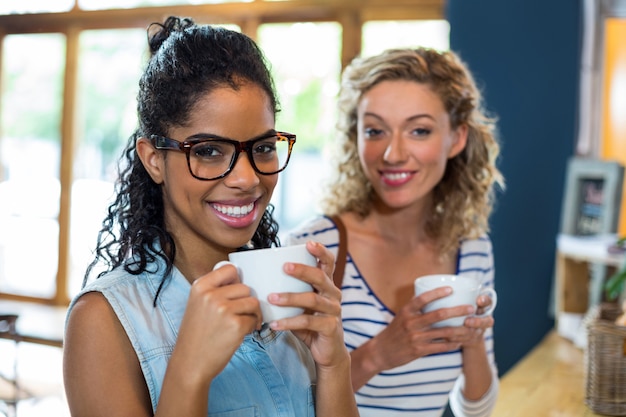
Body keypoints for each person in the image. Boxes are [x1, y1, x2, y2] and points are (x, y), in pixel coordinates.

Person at [63, 16, 358, 417]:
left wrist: (334, 363)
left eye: (263, 147)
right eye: (207, 151)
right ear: (153, 159)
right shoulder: (102, 322)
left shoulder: (288, 296)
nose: (247, 178)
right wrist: (188, 372)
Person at [286, 47, 505, 417]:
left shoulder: (473, 249)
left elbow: (475, 408)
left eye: (419, 130)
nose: (392, 153)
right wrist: (379, 354)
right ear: (355, 138)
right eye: (375, 130)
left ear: (457, 138)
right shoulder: (315, 248)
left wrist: (473, 338)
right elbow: (287, 401)